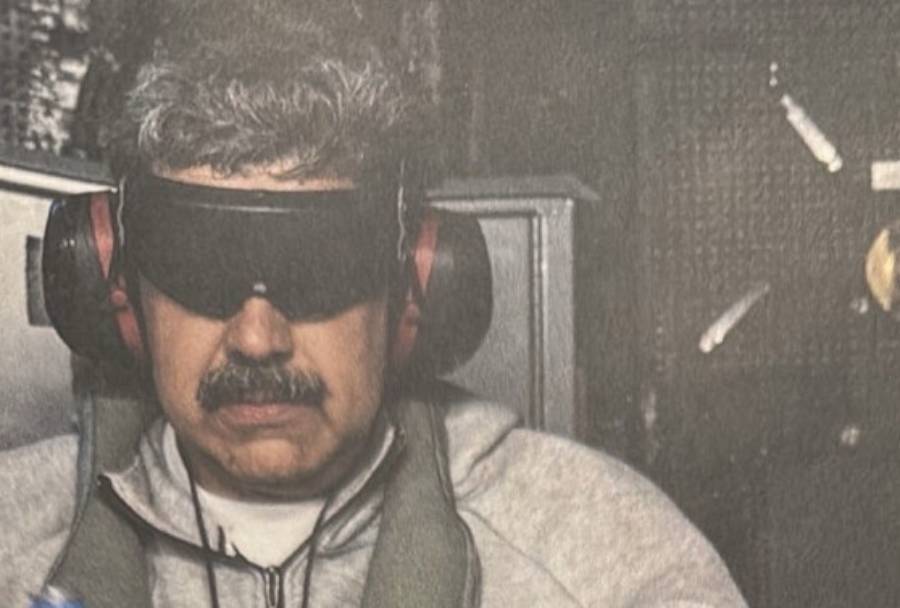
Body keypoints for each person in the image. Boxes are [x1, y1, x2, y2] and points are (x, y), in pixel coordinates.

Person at [1, 2, 747, 606]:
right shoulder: (15, 540)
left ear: (415, 285)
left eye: (317, 267)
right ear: (116, 285)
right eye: (200, 267)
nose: (257, 338)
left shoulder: (607, 559)